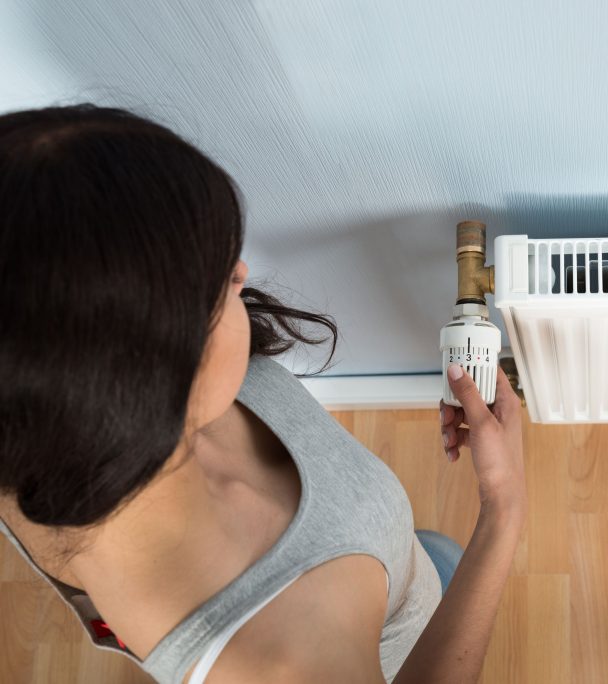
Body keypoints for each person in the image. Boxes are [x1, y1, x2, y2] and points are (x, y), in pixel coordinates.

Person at [0, 104, 526, 683]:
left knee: (419, 562)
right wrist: (503, 507)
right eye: (219, 281)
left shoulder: (30, 425)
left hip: (392, 584)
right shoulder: (281, 662)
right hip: (393, 649)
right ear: (138, 379)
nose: (243, 271)